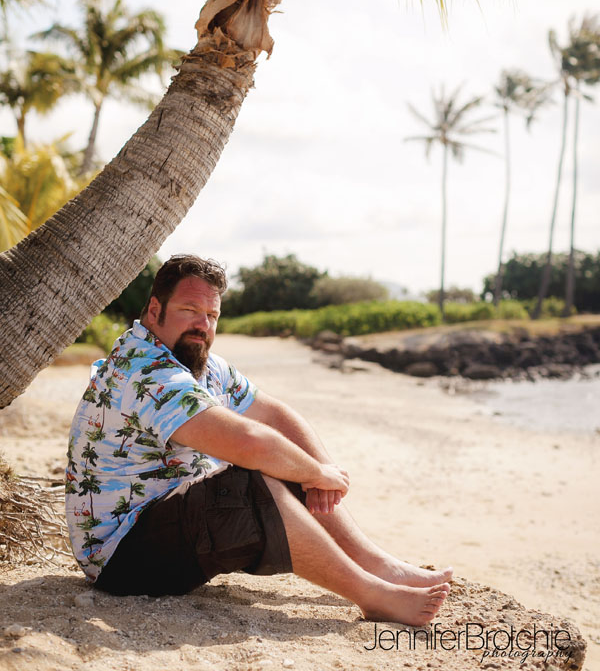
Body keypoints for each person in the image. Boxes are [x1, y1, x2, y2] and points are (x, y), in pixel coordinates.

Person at [65, 254, 452, 625]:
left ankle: (380, 565)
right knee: (259, 473)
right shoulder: (144, 371)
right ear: (154, 311)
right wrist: (316, 472)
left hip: (168, 523)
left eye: (212, 315)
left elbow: (274, 415)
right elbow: (251, 443)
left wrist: (319, 476)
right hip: (121, 557)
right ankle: (373, 595)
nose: (203, 324)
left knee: (282, 461)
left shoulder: (199, 360)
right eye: (189, 310)